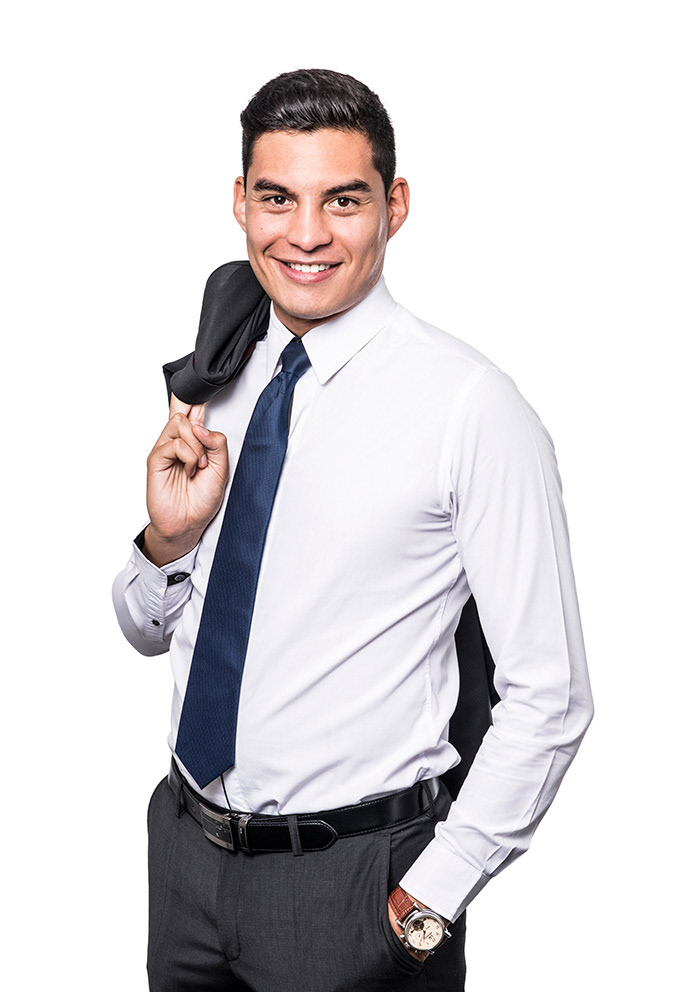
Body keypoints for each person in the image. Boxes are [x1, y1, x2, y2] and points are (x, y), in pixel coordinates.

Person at [112, 68, 594, 992]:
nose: (304, 234)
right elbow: (143, 630)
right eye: (276, 198)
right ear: (240, 202)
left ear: (393, 205)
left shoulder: (469, 408)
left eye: (342, 200)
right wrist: (167, 543)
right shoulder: (221, 371)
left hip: (354, 884)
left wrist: (427, 900)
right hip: (183, 858)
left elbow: (551, 694)